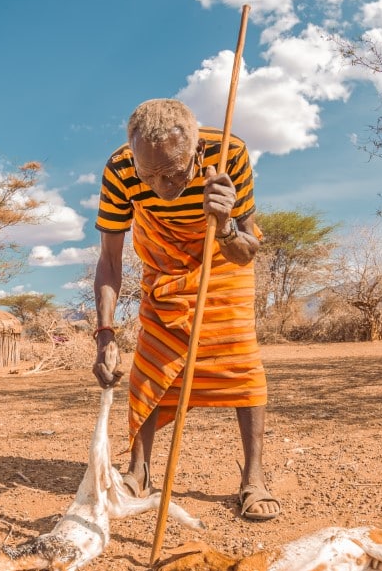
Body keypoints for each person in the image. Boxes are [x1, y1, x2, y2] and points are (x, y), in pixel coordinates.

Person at [91, 98, 279, 520]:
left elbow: (247, 252)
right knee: (151, 364)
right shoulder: (121, 170)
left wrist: (227, 222)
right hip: (163, 268)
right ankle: (138, 472)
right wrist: (104, 334)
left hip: (222, 259)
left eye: (173, 172)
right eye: (149, 175)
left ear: (195, 152)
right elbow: (109, 260)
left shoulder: (229, 152)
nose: (161, 186)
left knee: (240, 361)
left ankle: (254, 478)